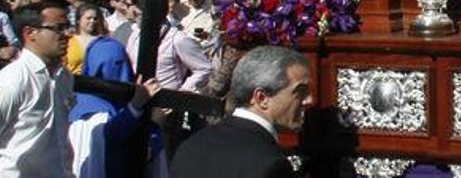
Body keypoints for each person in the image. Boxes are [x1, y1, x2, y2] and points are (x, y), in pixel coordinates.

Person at [170, 45, 312, 178]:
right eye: (300, 92)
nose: (309, 100)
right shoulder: (270, 164)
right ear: (262, 98)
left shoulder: (190, 146)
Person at [67, 38, 161, 178]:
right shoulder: (86, 108)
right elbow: (110, 135)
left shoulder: (76, 104)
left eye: (120, 63)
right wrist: (135, 107)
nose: (113, 70)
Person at [0, 3, 75, 177]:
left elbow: (60, 137)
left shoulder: (65, 77)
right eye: (59, 28)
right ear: (30, 33)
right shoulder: (13, 79)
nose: (67, 35)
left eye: (68, 27)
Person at [65, 3, 109, 75]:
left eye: (95, 18)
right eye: (88, 18)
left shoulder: (103, 41)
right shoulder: (69, 41)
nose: (92, 21)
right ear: (78, 20)